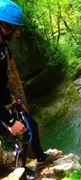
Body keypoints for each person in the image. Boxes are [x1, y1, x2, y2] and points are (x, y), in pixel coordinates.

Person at [0, 0, 60, 176]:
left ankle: (40, 158)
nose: (16, 32)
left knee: (30, 125)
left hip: (5, 100)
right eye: (13, 28)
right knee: (18, 135)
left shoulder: (2, 44)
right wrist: (10, 122)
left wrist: (14, 100)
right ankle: (21, 172)